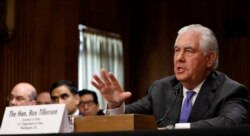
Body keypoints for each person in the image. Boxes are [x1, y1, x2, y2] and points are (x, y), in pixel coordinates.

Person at [91, 24, 249, 129]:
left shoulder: (230, 91)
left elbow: (231, 123)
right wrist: (115, 105)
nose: (179, 57)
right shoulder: (161, 88)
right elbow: (131, 119)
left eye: (189, 51)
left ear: (209, 59)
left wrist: (175, 129)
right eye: (176, 50)